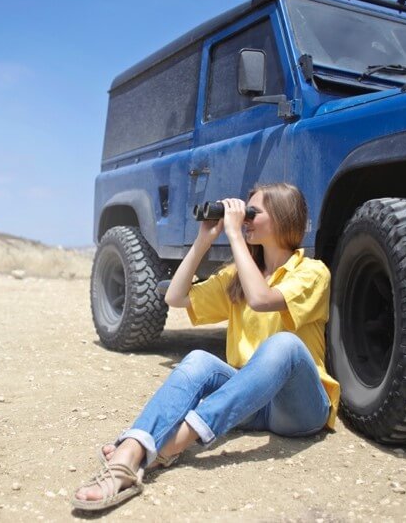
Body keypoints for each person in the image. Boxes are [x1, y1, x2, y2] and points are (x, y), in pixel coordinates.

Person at [72, 183, 340, 511]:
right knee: (199, 358)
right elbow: (175, 297)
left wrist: (236, 237)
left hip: (298, 409)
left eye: (253, 213)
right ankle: (132, 450)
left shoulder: (313, 272)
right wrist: (203, 241)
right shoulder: (240, 275)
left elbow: (261, 299)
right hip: (250, 403)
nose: (245, 220)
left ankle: (172, 443)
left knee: (284, 345)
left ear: (285, 218)